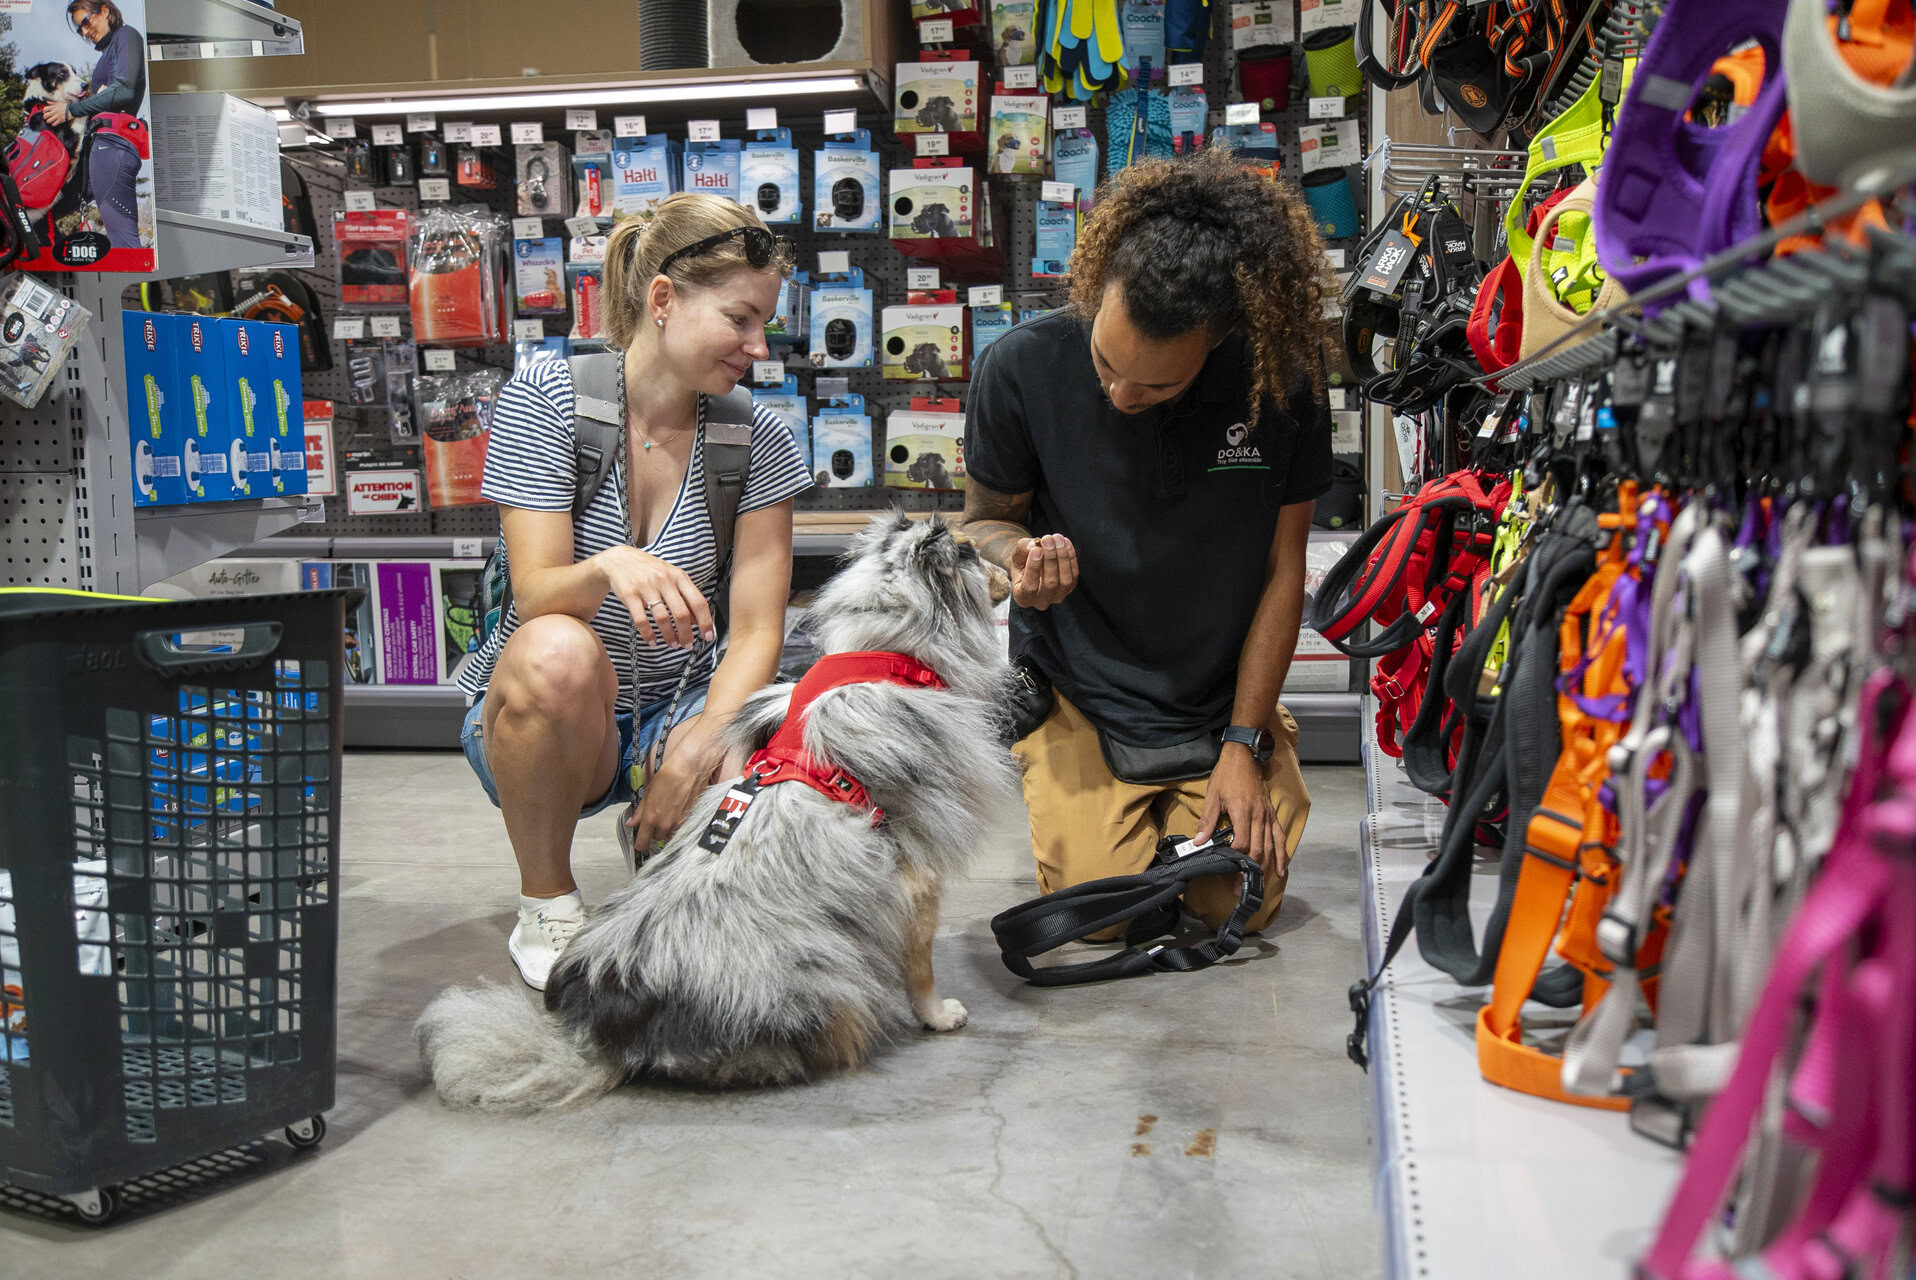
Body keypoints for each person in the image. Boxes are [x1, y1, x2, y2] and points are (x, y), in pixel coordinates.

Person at [961, 148, 1335, 935]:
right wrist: (1016, 561)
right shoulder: (1018, 368)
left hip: (1220, 696)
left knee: (1234, 903)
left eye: (1159, 384)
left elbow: (1282, 571)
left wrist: (1244, 739)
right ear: (1098, 292)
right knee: (1103, 915)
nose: (1121, 393)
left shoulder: (1282, 382)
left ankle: (1264, 745)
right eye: (1105, 361)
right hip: (1081, 694)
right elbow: (984, 522)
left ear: (1224, 332)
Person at [456, 194, 813, 989]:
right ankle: (548, 905)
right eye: (739, 319)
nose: (758, 346)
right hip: (556, 713)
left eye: (764, 323)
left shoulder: (759, 438)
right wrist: (608, 565)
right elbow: (536, 593)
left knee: (776, 735)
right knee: (557, 649)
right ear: (662, 301)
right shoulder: (549, 397)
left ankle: (684, 887)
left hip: (680, 703)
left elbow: (757, 630)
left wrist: (706, 739)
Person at [44, 0, 146, 250]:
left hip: (113, 145)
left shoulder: (126, 36)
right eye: (80, 29)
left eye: (86, 22)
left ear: (104, 11)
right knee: (42, 209)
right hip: (97, 148)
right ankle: (53, 261)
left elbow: (124, 90)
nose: (85, 32)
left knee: (122, 237)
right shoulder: (107, 56)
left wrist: (70, 110)